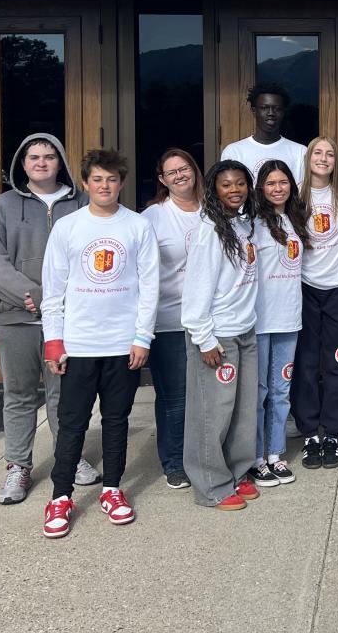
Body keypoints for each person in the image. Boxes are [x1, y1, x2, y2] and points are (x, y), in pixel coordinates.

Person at [40, 149, 159, 539]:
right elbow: (53, 290)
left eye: (111, 179)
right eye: (97, 179)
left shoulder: (138, 226)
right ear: (85, 183)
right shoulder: (68, 227)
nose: (104, 186)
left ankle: (112, 489)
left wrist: (142, 337)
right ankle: (60, 496)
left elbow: (150, 287)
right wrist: (53, 341)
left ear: (121, 183)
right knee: (73, 423)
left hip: (123, 344)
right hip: (79, 344)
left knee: (116, 420)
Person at [0, 132, 100, 505]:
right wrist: (33, 296)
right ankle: (18, 465)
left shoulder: (82, 203)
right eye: (34, 157)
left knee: (65, 395)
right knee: (19, 394)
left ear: (60, 162)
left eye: (49, 156)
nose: (41, 163)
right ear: (23, 163)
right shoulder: (3, 206)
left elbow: (94, 254)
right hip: (16, 317)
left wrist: (63, 302)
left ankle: (70, 456)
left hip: (68, 320)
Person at [180, 160, 263, 511]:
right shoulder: (209, 231)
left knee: (243, 411)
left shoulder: (242, 225)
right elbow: (196, 289)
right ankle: (211, 485)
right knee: (212, 414)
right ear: (214, 189)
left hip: (245, 329)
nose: (234, 190)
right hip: (217, 336)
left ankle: (236, 472)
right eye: (226, 184)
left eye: (240, 183)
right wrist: (204, 338)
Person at [142, 148, 204, 490]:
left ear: (194, 170)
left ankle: (203, 456)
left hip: (210, 320)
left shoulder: (212, 209)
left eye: (184, 168)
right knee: (176, 397)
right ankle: (175, 461)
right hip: (170, 321)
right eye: (172, 172)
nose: (180, 175)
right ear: (163, 180)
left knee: (207, 395)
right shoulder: (154, 217)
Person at [293, 137, 338, 471]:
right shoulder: (295, 193)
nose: (323, 158)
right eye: (317, 152)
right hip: (304, 288)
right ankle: (309, 433)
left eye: (330, 153)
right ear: (308, 158)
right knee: (305, 363)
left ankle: (332, 433)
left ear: (336, 160)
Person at [249, 160, 309, 487]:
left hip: (289, 317)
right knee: (259, 391)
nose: (277, 188)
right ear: (261, 187)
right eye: (271, 183)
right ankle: (256, 458)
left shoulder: (296, 218)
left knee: (281, 390)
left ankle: (276, 453)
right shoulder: (252, 222)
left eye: (283, 182)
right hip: (260, 319)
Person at [221, 82, 308, 187]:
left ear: (283, 112)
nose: (271, 113)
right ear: (254, 111)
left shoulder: (300, 152)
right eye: (264, 108)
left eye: (277, 108)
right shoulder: (234, 152)